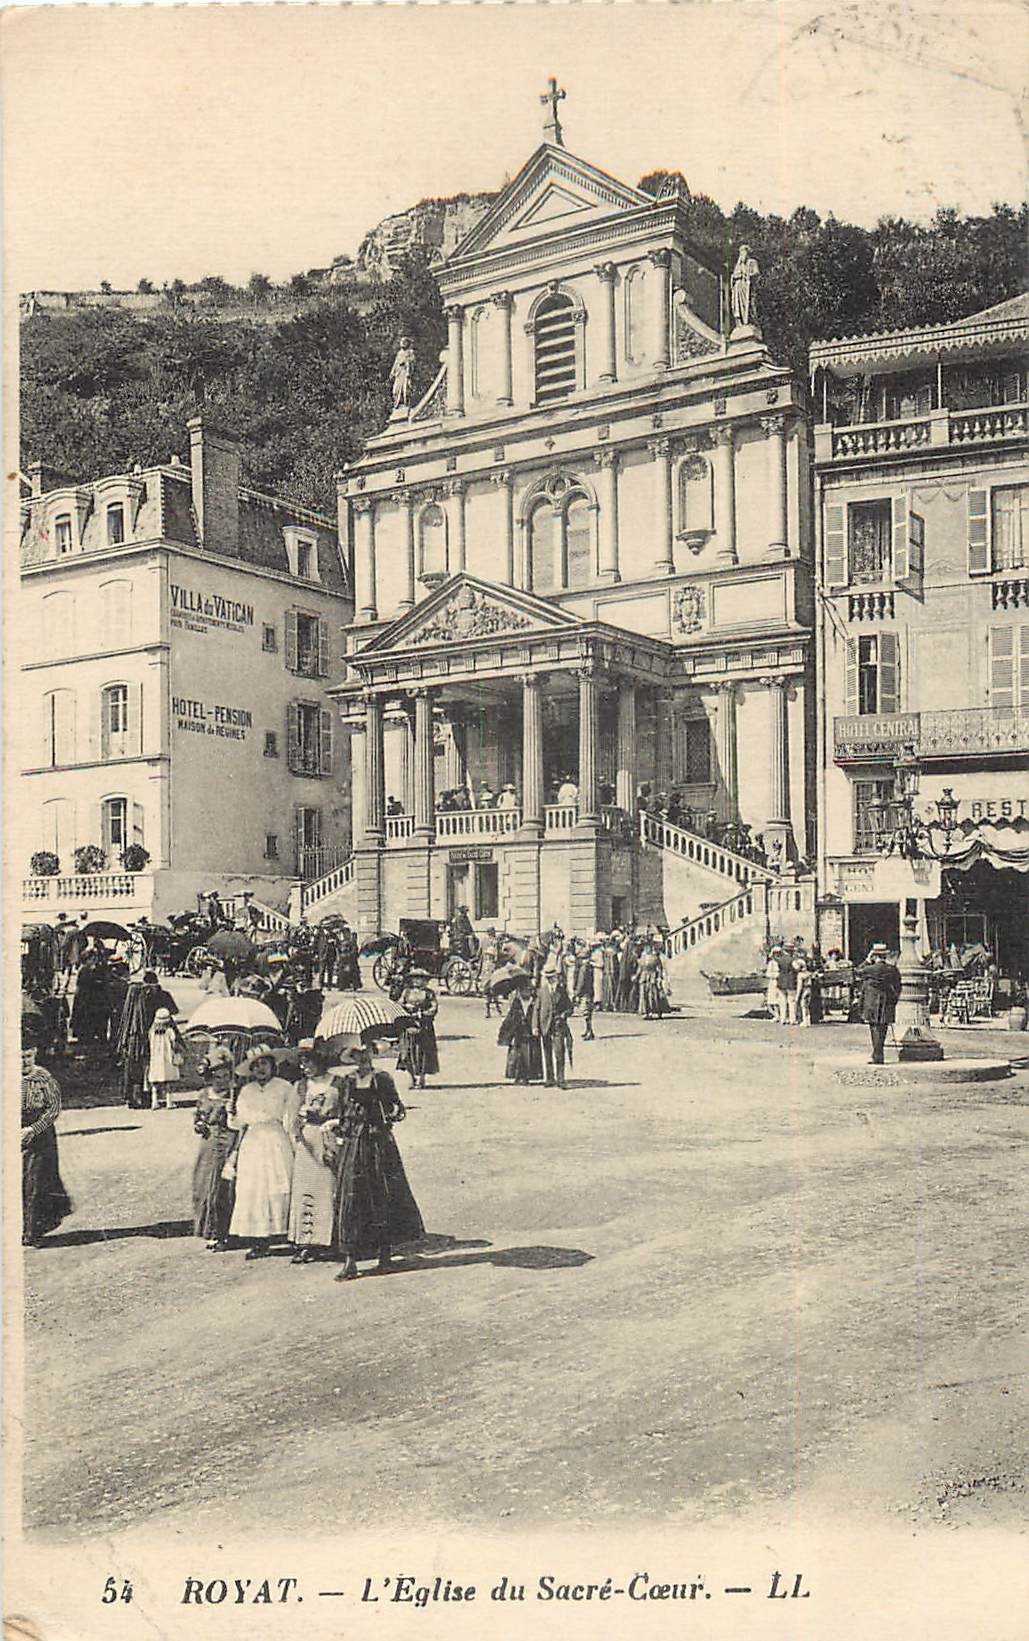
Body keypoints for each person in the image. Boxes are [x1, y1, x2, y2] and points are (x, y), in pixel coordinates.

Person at [333, 1044, 424, 1281]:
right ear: (352, 1058)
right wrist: (345, 1124)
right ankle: (350, 1260)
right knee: (352, 1196)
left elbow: (397, 1108)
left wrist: (387, 1111)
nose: (362, 1058)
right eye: (357, 1055)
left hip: (378, 1142)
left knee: (382, 1193)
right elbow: (341, 1112)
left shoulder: (382, 1078)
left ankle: (385, 1255)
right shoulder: (347, 1081)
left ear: (372, 1055)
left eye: (366, 1053)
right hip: (355, 1143)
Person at [226, 1046, 296, 1259]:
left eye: (264, 1064)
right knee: (254, 1189)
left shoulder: (284, 1087)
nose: (260, 1069)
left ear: (272, 1065)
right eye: (255, 1066)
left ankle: (287, 1234)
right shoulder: (246, 1091)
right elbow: (238, 1123)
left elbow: (290, 1118)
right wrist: (231, 1113)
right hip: (253, 1143)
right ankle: (259, 1240)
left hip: (276, 1139)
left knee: (278, 1183)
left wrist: (295, 1145)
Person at [286, 1041, 342, 1265]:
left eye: (308, 1062)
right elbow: (290, 1119)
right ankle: (306, 1243)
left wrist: (334, 1122)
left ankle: (332, 1241)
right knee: (306, 1189)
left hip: (330, 1138)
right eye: (302, 1062)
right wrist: (299, 1122)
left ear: (320, 1060)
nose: (304, 1067)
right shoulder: (300, 1086)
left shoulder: (338, 1083)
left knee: (330, 1189)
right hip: (307, 1142)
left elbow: (346, 1110)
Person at [21, 1023, 72, 1248]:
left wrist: (33, 1129)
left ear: (35, 1054)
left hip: (40, 1137)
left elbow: (53, 1109)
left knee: (35, 1183)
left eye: (28, 1056)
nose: (24, 1062)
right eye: (20, 1057)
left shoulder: (44, 1078)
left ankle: (32, 1231)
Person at [192, 1046, 236, 1251]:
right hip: (208, 1143)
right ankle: (208, 1230)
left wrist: (232, 1111)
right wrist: (199, 1124)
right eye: (217, 1077)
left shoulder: (233, 1096)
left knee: (222, 1187)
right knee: (204, 1185)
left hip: (227, 1141)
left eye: (226, 1076)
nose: (222, 1081)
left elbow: (239, 1121)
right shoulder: (204, 1095)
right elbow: (198, 1118)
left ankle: (223, 1232)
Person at [529, 961, 574, 1090]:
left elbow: (570, 1008)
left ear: (556, 977)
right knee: (547, 1053)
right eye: (548, 977)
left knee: (559, 1052)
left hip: (558, 1026)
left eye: (552, 977)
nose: (550, 980)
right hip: (545, 1025)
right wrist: (535, 1026)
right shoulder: (541, 991)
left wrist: (564, 1015)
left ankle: (561, 1079)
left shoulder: (562, 991)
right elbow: (536, 1010)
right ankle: (550, 1078)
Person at [857, 943, 902, 1065]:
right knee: (883, 1029)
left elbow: (857, 971)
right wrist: (894, 999)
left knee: (874, 1029)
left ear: (875, 956)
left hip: (872, 1003)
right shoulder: (892, 969)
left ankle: (877, 1056)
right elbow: (898, 986)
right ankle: (878, 1054)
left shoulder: (870, 969)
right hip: (886, 1002)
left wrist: (867, 960)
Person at [395, 971, 440, 1090]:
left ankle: (422, 1078)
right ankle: (411, 1077)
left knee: (423, 1052)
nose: (419, 981)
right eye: (416, 979)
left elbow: (434, 1008)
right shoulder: (406, 992)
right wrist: (406, 1007)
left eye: (422, 979)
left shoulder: (429, 993)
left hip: (424, 1026)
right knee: (408, 1051)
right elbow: (398, 1005)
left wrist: (423, 1014)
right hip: (409, 1024)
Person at [147, 1006, 186, 1109]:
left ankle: (154, 1101)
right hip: (167, 1058)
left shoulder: (151, 1031)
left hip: (155, 1058)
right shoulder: (169, 1031)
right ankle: (169, 1102)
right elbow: (174, 1044)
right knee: (169, 1081)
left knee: (155, 1081)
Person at [497, 989, 538, 1084]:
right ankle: (518, 1076)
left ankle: (528, 1076)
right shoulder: (516, 1003)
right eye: (523, 990)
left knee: (530, 1055)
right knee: (518, 1056)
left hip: (530, 1032)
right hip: (518, 1032)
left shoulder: (534, 1002)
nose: (526, 992)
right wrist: (506, 1034)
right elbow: (510, 1018)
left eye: (528, 990)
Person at [637, 942, 667, 1020]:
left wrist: (659, 977)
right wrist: (636, 976)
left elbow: (659, 968)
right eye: (646, 948)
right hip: (643, 977)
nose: (647, 949)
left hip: (652, 977)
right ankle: (645, 1012)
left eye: (648, 948)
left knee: (653, 995)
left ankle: (655, 1011)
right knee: (643, 994)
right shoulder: (642, 958)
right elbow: (640, 968)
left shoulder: (655, 958)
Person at [478, 927, 500, 1018]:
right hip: (491, 972)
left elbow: (479, 953)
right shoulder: (495, 942)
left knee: (487, 992)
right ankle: (497, 1009)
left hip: (485, 969)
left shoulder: (483, 941)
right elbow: (497, 956)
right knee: (494, 991)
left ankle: (488, 1011)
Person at [337, 921, 361, 990]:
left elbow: (354, 950)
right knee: (342, 973)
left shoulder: (352, 941)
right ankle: (342, 986)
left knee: (352, 972)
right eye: (344, 933)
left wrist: (349, 955)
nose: (345, 935)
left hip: (350, 959)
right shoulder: (342, 941)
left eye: (346, 933)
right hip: (343, 959)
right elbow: (339, 949)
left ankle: (354, 986)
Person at [765, 948, 783, 1023]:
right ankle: (776, 1015)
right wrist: (775, 975)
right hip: (773, 982)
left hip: (780, 982)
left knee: (780, 999)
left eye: (778, 954)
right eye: (776, 954)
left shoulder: (781, 962)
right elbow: (768, 973)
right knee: (772, 1000)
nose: (777, 955)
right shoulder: (772, 963)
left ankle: (781, 1015)